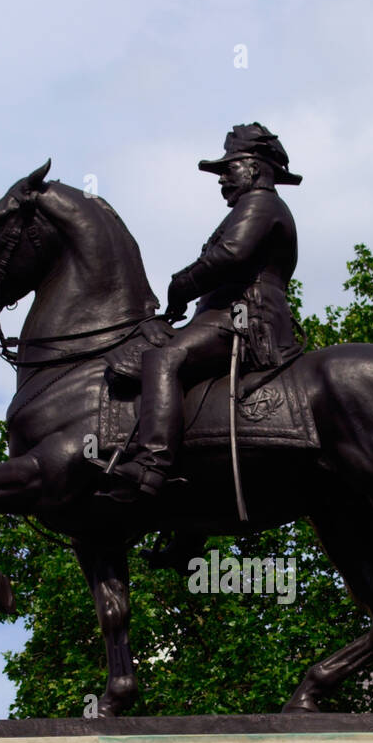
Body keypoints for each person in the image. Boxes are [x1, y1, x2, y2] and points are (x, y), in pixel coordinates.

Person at [106, 123, 302, 500]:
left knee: (163, 359)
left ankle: (151, 465)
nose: (223, 178)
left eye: (230, 168)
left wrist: (180, 286)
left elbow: (230, 255)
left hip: (245, 316)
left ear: (257, 168)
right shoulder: (254, 206)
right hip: (229, 312)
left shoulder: (260, 203)